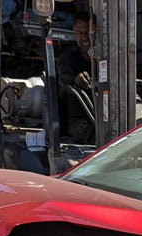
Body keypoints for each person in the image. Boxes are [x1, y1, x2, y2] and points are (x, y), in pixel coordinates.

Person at [56, 11, 96, 144]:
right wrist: (76, 79)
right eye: (80, 32)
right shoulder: (67, 59)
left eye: (88, 32)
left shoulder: (105, 61)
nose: (84, 37)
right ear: (75, 32)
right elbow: (64, 78)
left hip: (104, 117)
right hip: (78, 120)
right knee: (95, 133)